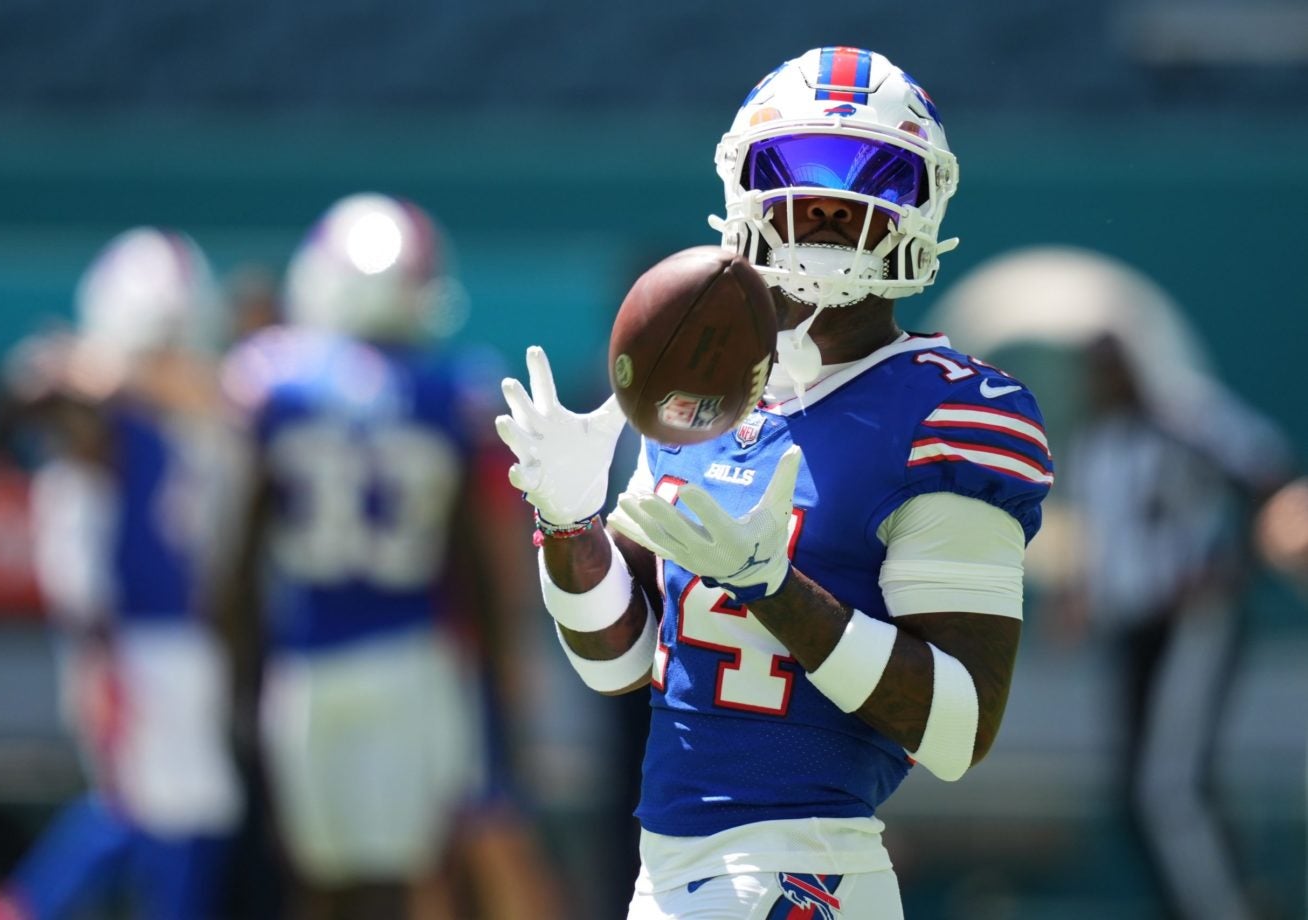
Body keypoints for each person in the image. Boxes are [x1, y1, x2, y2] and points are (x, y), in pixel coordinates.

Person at [495, 47, 1053, 918]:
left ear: (923, 202)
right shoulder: (703, 387)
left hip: (805, 872)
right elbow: (621, 662)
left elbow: (957, 729)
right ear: (745, 185)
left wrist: (773, 589)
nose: (829, 204)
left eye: (872, 176)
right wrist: (569, 526)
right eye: (798, 169)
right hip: (669, 871)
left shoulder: (947, 412)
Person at [926, 246, 1303, 920]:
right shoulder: (1097, 444)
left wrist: (1229, 564)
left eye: (1113, 361)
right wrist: (1080, 595)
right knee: (1139, 788)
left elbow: (1267, 477)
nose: (1104, 377)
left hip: (1189, 622)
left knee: (1169, 787)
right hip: (1133, 625)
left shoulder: (1185, 418)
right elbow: (1101, 533)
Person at [216, 192, 565, 920]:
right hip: (409, 658)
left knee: (319, 879)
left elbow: (237, 551)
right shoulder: (447, 390)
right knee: (401, 876)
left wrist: (237, 672)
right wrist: (504, 679)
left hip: (307, 657)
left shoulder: (276, 382)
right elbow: (475, 564)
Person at [0, 228, 244, 920]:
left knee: (186, 808)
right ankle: (20, 906)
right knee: (150, 806)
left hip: (178, 632)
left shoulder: (177, 403)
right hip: (124, 637)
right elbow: (43, 391)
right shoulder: (89, 401)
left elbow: (209, 399)